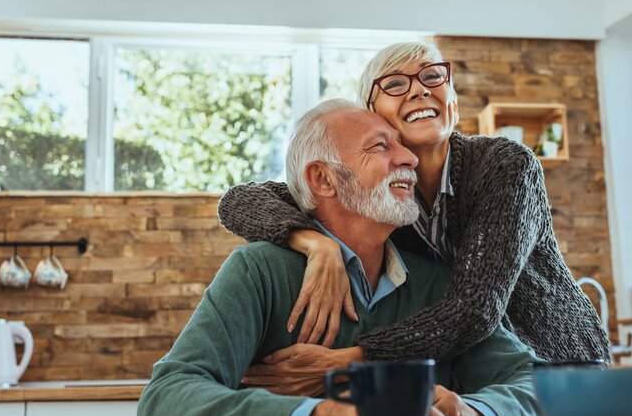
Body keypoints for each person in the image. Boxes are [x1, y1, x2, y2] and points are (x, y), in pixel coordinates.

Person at [137, 100, 545, 416]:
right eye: (381, 147)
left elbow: (539, 385)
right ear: (323, 179)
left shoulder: (438, 285)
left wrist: (472, 411)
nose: (409, 158)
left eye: (401, 145)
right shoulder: (258, 271)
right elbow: (166, 399)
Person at [217, 41, 609, 397]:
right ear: (373, 116)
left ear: (452, 102)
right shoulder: (376, 196)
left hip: (558, 366)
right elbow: (240, 200)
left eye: (432, 76)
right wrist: (315, 243)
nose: (420, 89)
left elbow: (474, 309)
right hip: (471, 382)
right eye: (395, 84)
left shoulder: (505, 166)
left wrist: (352, 359)